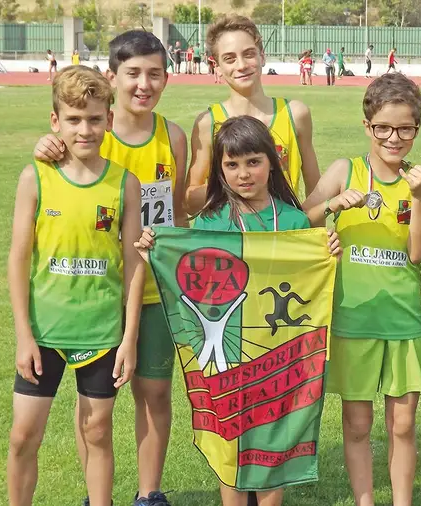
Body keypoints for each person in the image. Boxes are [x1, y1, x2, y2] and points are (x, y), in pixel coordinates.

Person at [136, 115, 341, 506]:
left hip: (281, 355)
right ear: (220, 170)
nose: (243, 173)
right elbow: (187, 279)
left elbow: (311, 285)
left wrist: (326, 253)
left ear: (271, 163)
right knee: (231, 441)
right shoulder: (211, 222)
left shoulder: (294, 221)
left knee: (274, 436)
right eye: (231, 164)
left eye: (253, 162)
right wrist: (154, 249)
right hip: (229, 360)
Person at [32, 31, 189, 506]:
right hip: (99, 295)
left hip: (156, 291)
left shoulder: (172, 136)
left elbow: (178, 213)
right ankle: (94, 496)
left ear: (167, 77)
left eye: (155, 73)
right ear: (112, 76)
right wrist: (45, 144)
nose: (144, 84)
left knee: (155, 393)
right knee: (93, 408)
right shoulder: (91, 131)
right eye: (133, 73)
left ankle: (149, 494)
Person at [6, 65, 144, 506]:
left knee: (98, 431)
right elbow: (18, 259)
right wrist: (23, 335)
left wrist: (130, 338)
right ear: (55, 121)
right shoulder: (36, 178)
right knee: (23, 436)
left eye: (95, 119)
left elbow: (134, 263)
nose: (85, 129)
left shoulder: (125, 183)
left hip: (101, 332)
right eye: (73, 119)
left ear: (108, 119)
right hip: (45, 332)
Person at [301, 72, 421, 506]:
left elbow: (418, 253)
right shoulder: (346, 170)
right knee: (357, 423)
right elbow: (299, 218)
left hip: (401, 317)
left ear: (417, 128)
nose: (394, 138)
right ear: (368, 126)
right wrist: (331, 207)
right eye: (384, 127)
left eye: (405, 128)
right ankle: (365, 501)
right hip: (353, 316)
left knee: (403, 424)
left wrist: (418, 197)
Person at [185, 15, 321, 215]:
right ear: (217, 66)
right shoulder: (208, 122)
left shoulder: (295, 114)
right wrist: (235, 182)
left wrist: (313, 237)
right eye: (229, 58)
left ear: (262, 56)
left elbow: (315, 190)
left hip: (281, 236)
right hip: (229, 240)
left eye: (249, 54)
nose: (241, 65)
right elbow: (189, 202)